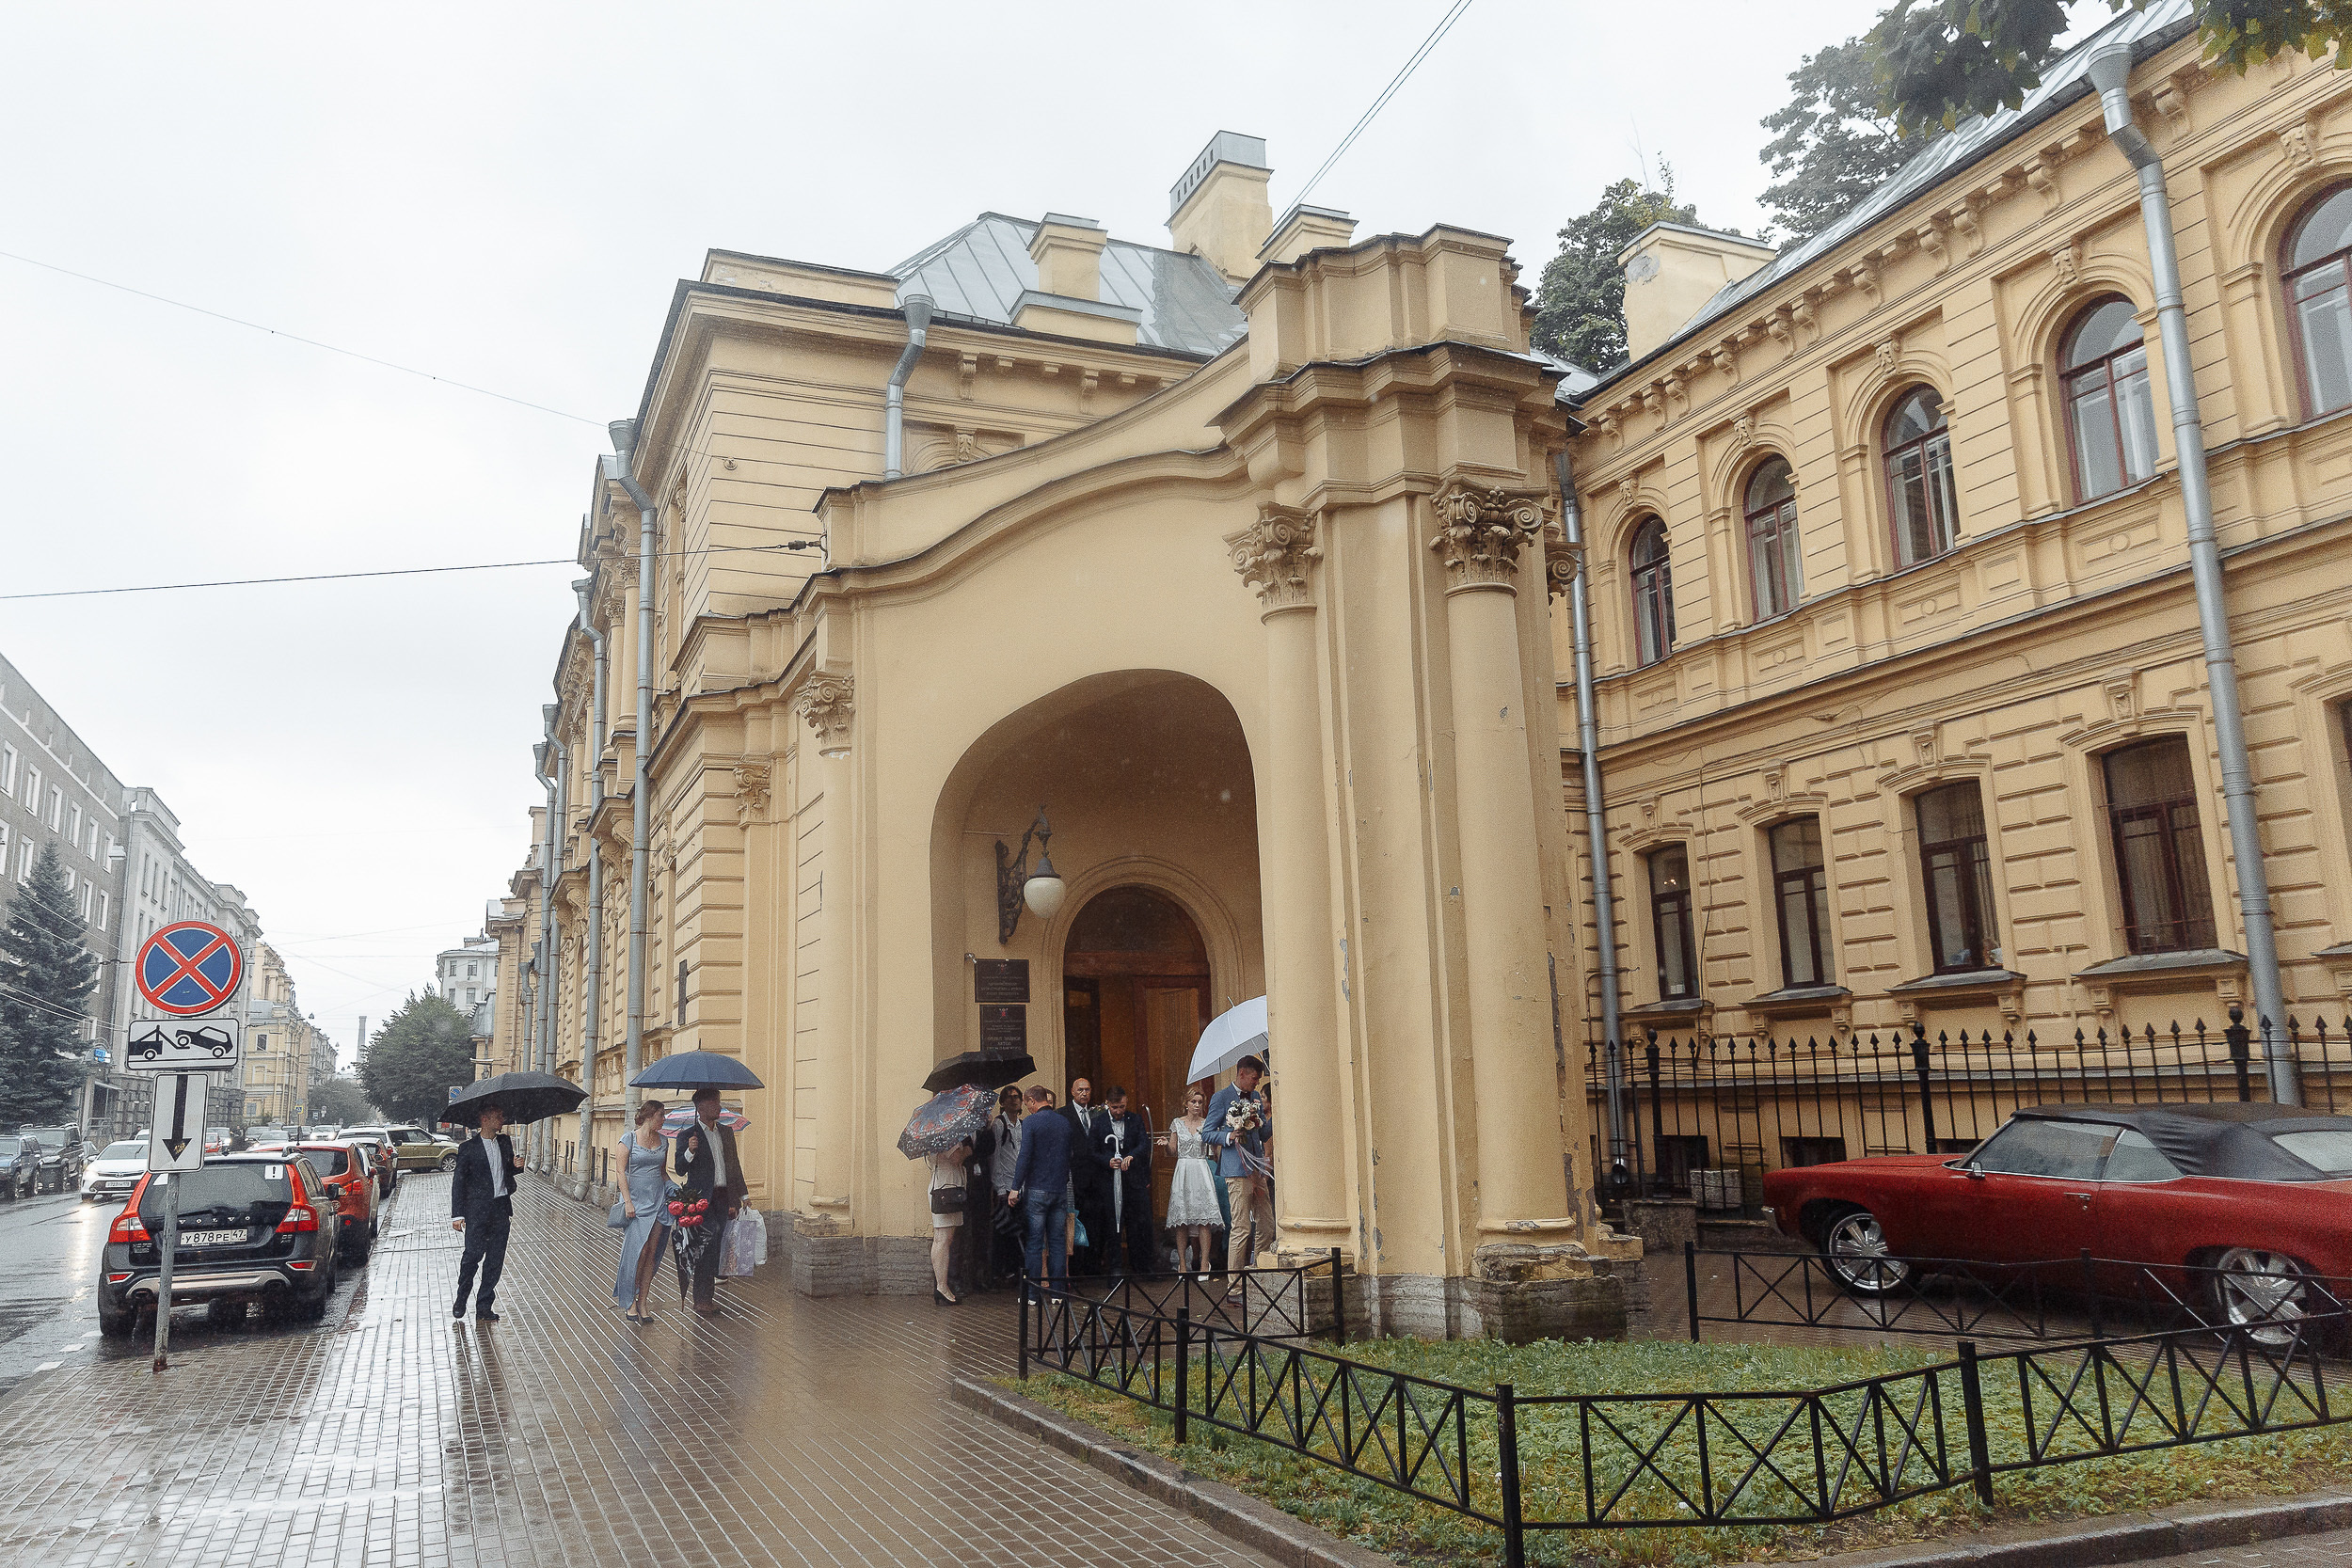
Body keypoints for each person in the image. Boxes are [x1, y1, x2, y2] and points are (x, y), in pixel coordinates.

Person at [666, 1086, 749, 1317]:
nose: (719, 1106)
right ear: (700, 1107)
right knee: (706, 1246)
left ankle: (707, 1297)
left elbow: (733, 1166)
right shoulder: (688, 1136)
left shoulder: (725, 1133)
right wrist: (690, 1152)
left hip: (723, 1198)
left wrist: (743, 1195)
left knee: (718, 1246)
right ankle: (701, 1299)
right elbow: (681, 1170)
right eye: (714, 1103)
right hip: (701, 1202)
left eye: (718, 1102)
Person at [1203, 1055, 1275, 1302]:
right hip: (1235, 1169)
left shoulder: (1255, 1098)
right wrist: (1229, 1135)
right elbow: (1207, 1133)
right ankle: (1235, 1287)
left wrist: (1272, 1114)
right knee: (1242, 1227)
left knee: (1266, 1223)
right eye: (1254, 1078)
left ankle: (1260, 1277)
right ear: (1242, 1073)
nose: (1257, 1084)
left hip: (1256, 1167)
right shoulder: (1220, 1098)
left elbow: (1264, 1133)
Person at [451, 1103, 525, 1323]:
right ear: (485, 1119)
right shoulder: (468, 1148)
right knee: (472, 1256)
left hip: (500, 1209)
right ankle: (461, 1298)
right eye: (498, 1116)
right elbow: (459, 1183)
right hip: (476, 1212)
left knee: (494, 1260)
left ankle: (484, 1305)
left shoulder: (504, 1142)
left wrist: (517, 1166)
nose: (502, 1119)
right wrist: (458, 1214)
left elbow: (506, 1171)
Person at [1005, 1083, 1072, 1299]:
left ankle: (1032, 1294)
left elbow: (1024, 1157)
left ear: (1033, 1100)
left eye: (1027, 1103)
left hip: (1036, 1190)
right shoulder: (1064, 1122)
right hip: (1059, 1189)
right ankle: (1058, 1293)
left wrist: (1015, 1188)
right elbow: (1069, 1156)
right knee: (1057, 1242)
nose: (1028, 1108)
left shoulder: (1031, 1123)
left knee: (1034, 1242)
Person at [613, 1099, 674, 1323]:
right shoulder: (628, 1139)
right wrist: (628, 1202)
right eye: (661, 1115)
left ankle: (643, 1301)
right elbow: (620, 1172)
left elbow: (663, 1173)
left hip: (658, 1200)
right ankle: (629, 1299)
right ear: (649, 1115)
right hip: (636, 1203)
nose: (664, 1119)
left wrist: (676, 1191)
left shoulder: (664, 1141)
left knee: (652, 1252)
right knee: (638, 1251)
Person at [1159, 1085, 1221, 1277]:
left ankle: (1204, 1263)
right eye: (1193, 1102)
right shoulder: (1177, 1123)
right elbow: (1173, 1151)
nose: (1197, 1105)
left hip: (1201, 1169)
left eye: (1200, 1102)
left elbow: (1215, 1154)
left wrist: (1217, 1145)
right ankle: (1183, 1265)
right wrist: (1164, 1146)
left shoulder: (1207, 1123)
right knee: (1182, 1220)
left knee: (1204, 1219)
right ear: (1185, 1103)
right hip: (1183, 1169)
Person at [1095, 1086, 1155, 1275]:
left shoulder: (1135, 1119)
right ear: (1107, 1105)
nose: (1119, 1111)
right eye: (1114, 1108)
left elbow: (1143, 1143)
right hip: (1110, 1182)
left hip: (1134, 1181)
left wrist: (1131, 1156)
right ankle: (1115, 1269)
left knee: (1139, 1225)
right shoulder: (1098, 1123)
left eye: (1122, 1106)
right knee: (1113, 1226)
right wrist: (1107, 1161)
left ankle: (1142, 1267)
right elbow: (1092, 1150)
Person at [975, 1086, 1025, 1289]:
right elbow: (994, 1158)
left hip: (1020, 1186)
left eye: (1017, 1097)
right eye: (1009, 1098)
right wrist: (1000, 1190)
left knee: (1018, 1231)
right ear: (1002, 1103)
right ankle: (998, 1272)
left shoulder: (1022, 1125)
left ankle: (1013, 1270)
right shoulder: (999, 1124)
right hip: (1004, 1186)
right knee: (1002, 1231)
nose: (1014, 1101)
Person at [1062, 1077, 1112, 1275]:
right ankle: (1075, 1267)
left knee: (1095, 1222)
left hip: (1096, 1177)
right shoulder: (1063, 1114)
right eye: (1080, 1090)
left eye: (1087, 1090)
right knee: (1074, 1221)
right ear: (1072, 1092)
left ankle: (1093, 1264)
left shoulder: (1098, 1115)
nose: (1084, 1093)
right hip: (1074, 1177)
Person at [928, 1138, 972, 1306]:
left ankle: (942, 1285)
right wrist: (968, 1149)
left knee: (946, 1239)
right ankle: (941, 1287)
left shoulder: (942, 1133)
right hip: (945, 1190)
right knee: (942, 1238)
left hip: (949, 1188)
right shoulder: (945, 1135)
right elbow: (955, 1158)